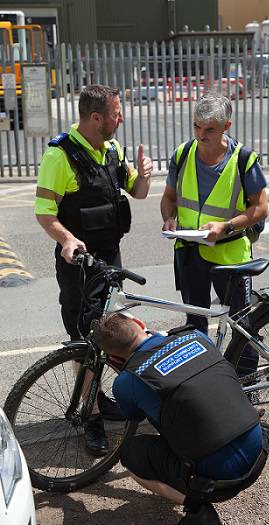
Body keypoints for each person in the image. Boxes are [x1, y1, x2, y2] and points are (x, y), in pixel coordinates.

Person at [34, 84, 153, 455]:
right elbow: (44, 212)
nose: (122, 118)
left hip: (110, 262)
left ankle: (102, 400)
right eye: (117, 113)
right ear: (97, 117)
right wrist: (67, 239)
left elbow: (139, 191)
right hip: (79, 265)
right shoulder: (60, 156)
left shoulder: (112, 149)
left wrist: (145, 174)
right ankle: (92, 418)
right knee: (85, 341)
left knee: (113, 335)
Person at [93, 313, 269, 525]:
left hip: (219, 481)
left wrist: (126, 372)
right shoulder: (195, 336)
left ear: (114, 359)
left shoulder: (127, 381)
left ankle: (198, 510)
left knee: (130, 453)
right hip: (259, 450)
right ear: (140, 323)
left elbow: (134, 416)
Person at [161, 91, 268, 337]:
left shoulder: (243, 159)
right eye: (197, 126)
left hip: (230, 256)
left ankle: (245, 375)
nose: (201, 135)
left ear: (226, 126)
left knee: (241, 326)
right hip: (189, 252)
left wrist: (226, 226)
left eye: (209, 129)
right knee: (195, 324)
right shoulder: (183, 154)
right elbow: (168, 198)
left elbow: (261, 208)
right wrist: (169, 218)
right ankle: (206, 375)